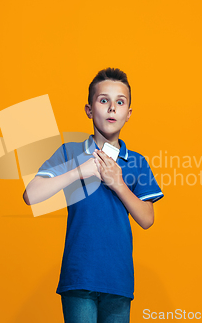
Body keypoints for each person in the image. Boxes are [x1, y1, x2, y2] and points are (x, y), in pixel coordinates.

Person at [23, 67, 164, 323]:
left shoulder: (137, 162)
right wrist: (79, 171)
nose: (112, 108)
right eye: (103, 100)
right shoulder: (70, 152)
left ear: (128, 113)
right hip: (79, 276)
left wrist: (118, 183)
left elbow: (147, 219)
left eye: (120, 102)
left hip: (118, 280)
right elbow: (31, 195)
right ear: (89, 109)